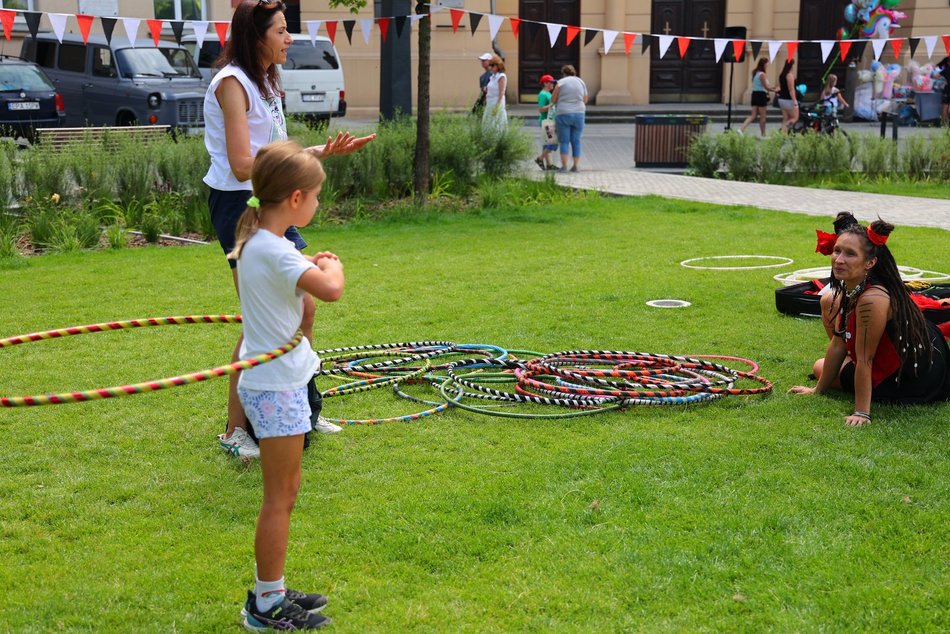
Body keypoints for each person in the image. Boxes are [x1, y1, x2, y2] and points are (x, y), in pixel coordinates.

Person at [204, 0, 374, 459]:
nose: (289, 38)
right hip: (241, 203)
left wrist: (318, 151)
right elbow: (243, 166)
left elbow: (271, 157)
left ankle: (304, 408)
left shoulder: (265, 80)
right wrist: (300, 161)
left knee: (305, 310)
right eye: (281, 30)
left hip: (271, 195)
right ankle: (235, 431)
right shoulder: (232, 84)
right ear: (256, 36)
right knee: (260, 323)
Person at [230, 140, 344, 630]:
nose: (319, 204)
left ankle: (270, 587)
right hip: (275, 387)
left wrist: (308, 269)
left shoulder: (257, 243)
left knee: (287, 492)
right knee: (279, 498)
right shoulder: (275, 251)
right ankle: (264, 606)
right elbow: (331, 290)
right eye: (317, 196)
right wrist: (331, 265)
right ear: (295, 199)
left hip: (276, 381)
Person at [789, 212, 950, 424]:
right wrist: (817, 390)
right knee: (829, 303)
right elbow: (838, 343)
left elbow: (865, 359)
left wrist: (861, 412)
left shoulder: (872, 299)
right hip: (912, 360)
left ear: (870, 262)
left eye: (850, 254)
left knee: (820, 366)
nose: (838, 259)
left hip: (913, 377)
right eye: (837, 251)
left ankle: (865, 392)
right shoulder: (853, 287)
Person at [551, 64, 588, 172]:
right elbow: (585, 99)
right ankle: (576, 166)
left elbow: (553, 99)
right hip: (579, 113)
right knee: (576, 140)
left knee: (564, 141)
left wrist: (562, 102)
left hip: (563, 113)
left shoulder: (561, 82)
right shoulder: (581, 82)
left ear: (563, 74)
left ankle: (564, 167)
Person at [739, 58, 778, 136]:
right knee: (763, 117)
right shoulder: (762, 74)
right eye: (767, 63)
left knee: (753, 115)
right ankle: (763, 134)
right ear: (763, 64)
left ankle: (741, 129)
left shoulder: (756, 73)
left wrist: (773, 88)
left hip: (754, 95)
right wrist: (775, 90)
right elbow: (766, 87)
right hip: (761, 95)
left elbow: (763, 86)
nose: (768, 65)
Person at [535, 74, 558, 171]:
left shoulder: (548, 93)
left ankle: (549, 165)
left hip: (549, 121)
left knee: (547, 143)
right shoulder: (543, 94)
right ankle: (540, 159)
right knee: (553, 143)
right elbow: (540, 109)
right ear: (545, 83)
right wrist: (551, 105)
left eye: (553, 82)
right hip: (546, 122)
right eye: (551, 82)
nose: (553, 84)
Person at [481, 54, 508, 134]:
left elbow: (501, 92)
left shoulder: (501, 76)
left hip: (496, 103)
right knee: (488, 125)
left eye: (492, 66)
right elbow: (492, 87)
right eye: (490, 65)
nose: (490, 68)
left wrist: (497, 106)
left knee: (496, 125)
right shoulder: (492, 76)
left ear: (498, 65)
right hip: (490, 103)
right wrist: (486, 89)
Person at [777, 59, 799, 133]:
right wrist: (794, 101)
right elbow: (791, 89)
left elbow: (780, 87)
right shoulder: (789, 75)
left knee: (786, 117)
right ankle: (782, 130)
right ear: (791, 66)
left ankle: (783, 135)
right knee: (795, 117)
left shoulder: (781, 75)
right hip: (788, 99)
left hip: (781, 99)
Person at [937, 56, 950, 125]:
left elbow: (936, 76)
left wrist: (943, 80)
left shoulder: (946, 70)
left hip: (947, 89)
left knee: (945, 106)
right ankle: (947, 121)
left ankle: (944, 122)